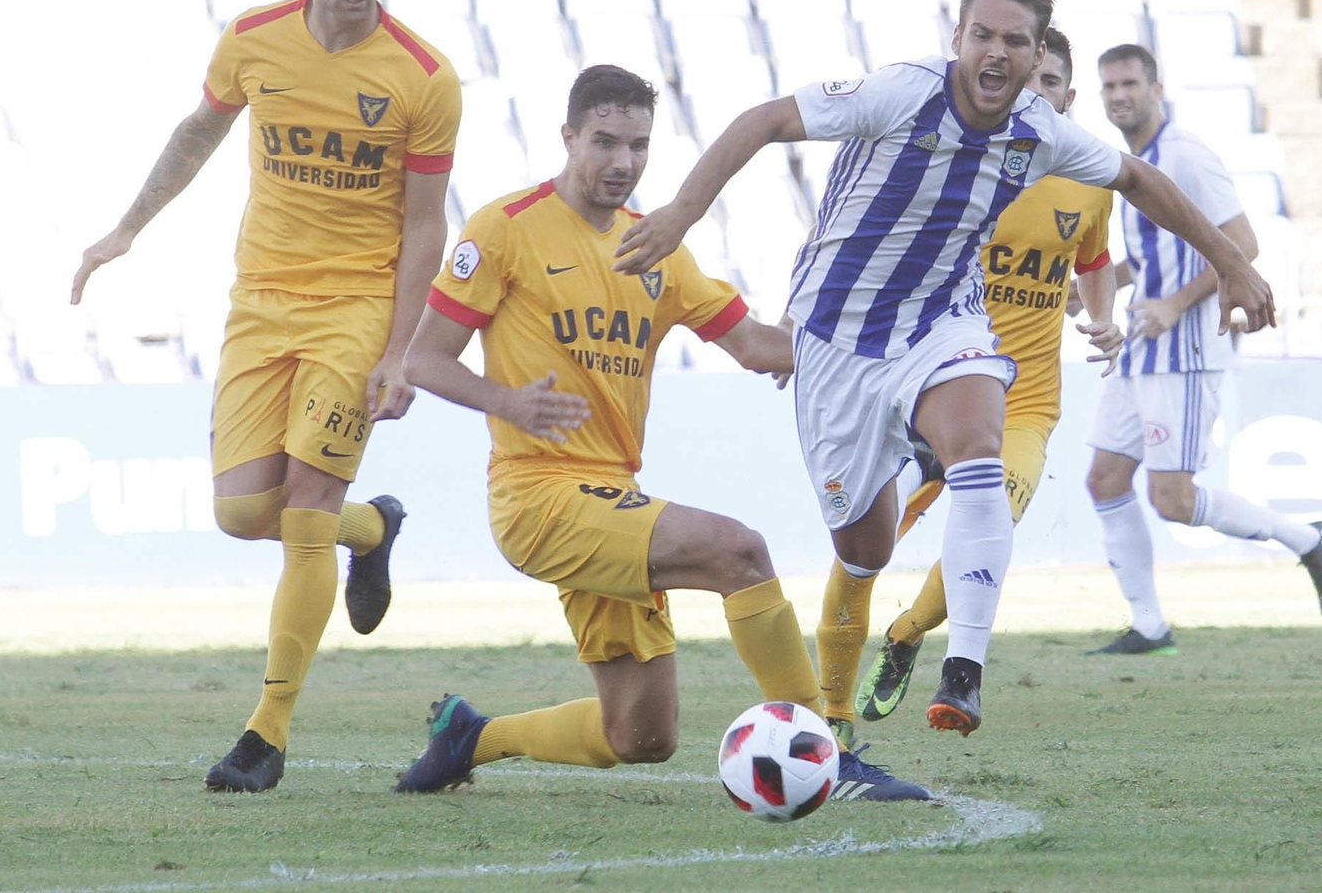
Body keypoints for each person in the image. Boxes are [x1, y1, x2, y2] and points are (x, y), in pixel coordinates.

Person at [614, 0, 1275, 738]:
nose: (997, 52)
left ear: (1034, 59)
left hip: (942, 320)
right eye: (983, 35)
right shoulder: (901, 92)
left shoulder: (1041, 131)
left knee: (978, 446)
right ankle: (831, 716)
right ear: (957, 37)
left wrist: (1231, 261)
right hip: (836, 339)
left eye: (1015, 41)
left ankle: (963, 671)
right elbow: (764, 120)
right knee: (861, 549)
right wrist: (679, 215)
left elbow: (1135, 178)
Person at [394, 65, 926, 801]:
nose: (622, 163)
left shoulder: (658, 245)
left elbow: (760, 348)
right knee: (738, 550)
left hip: (610, 496)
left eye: (638, 146)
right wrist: (508, 401)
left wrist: (896, 357)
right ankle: (829, 749)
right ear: (569, 136)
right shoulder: (506, 227)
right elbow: (421, 358)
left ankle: (471, 736)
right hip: (536, 496)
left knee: (640, 736)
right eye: (605, 142)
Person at [69, 0, 462, 791]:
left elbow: (423, 226)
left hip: (358, 313)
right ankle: (378, 529)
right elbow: (198, 132)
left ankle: (265, 735)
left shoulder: (424, 77)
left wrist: (401, 349)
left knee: (305, 518)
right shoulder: (253, 39)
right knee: (244, 513)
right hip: (261, 303)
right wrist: (126, 228)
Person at [840, 28, 1123, 732]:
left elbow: (1090, 260)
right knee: (863, 539)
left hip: (1023, 403)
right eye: (1030, 79)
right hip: (928, 385)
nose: (1036, 93)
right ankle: (826, 698)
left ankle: (909, 637)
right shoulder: (962, 163)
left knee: (989, 523)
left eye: (1051, 83)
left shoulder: (1087, 180)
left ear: (1069, 95)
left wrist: (1103, 319)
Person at [1082, 44, 1322, 656]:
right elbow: (1150, 257)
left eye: (1129, 84)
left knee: (1171, 499)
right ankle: (1149, 627)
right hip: (1145, 347)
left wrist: (1175, 304)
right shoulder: (1132, 162)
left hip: (1186, 350)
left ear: (1156, 87)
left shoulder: (1185, 156)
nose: (1119, 95)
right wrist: (1092, 286)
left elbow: (1241, 243)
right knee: (1104, 477)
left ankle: (1308, 538)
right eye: (1109, 86)